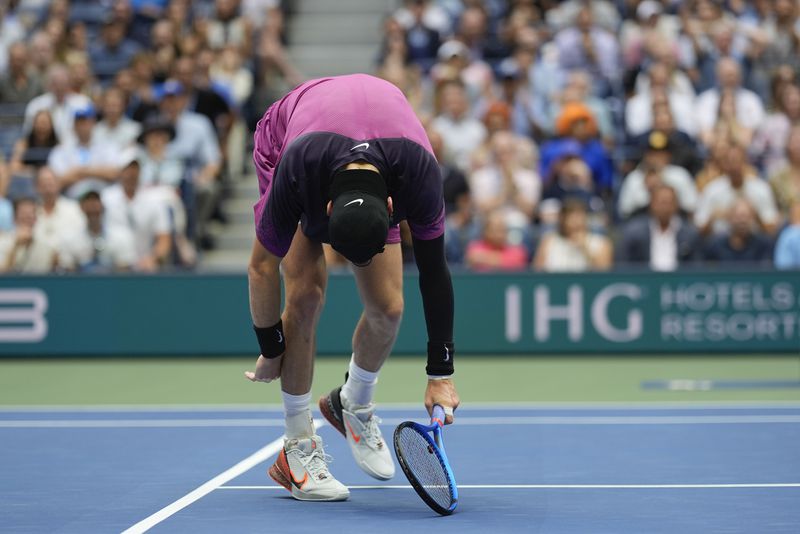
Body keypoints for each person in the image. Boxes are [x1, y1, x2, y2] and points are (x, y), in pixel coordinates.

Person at [245, 74, 459, 502]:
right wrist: (272, 347)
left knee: (389, 308)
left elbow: (435, 271)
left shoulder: (418, 171)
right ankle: (297, 449)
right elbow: (260, 267)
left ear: (392, 208)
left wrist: (440, 374)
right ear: (324, 210)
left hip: (374, 141)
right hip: (293, 134)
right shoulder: (296, 168)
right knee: (306, 294)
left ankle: (352, 403)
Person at [617, 185, 702, 270]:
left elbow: (698, 269)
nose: (665, 208)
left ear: (676, 205)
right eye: (661, 202)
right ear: (651, 204)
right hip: (644, 281)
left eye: (669, 203)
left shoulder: (690, 234)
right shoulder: (633, 233)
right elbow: (623, 267)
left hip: (680, 281)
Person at [532, 198, 613, 272]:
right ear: (562, 219)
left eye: (579, 216)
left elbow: (603, 274)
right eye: (571, 216)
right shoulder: (549, 241)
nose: (576, 221)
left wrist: (584, 248)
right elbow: (537, 272)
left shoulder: (601, 243)